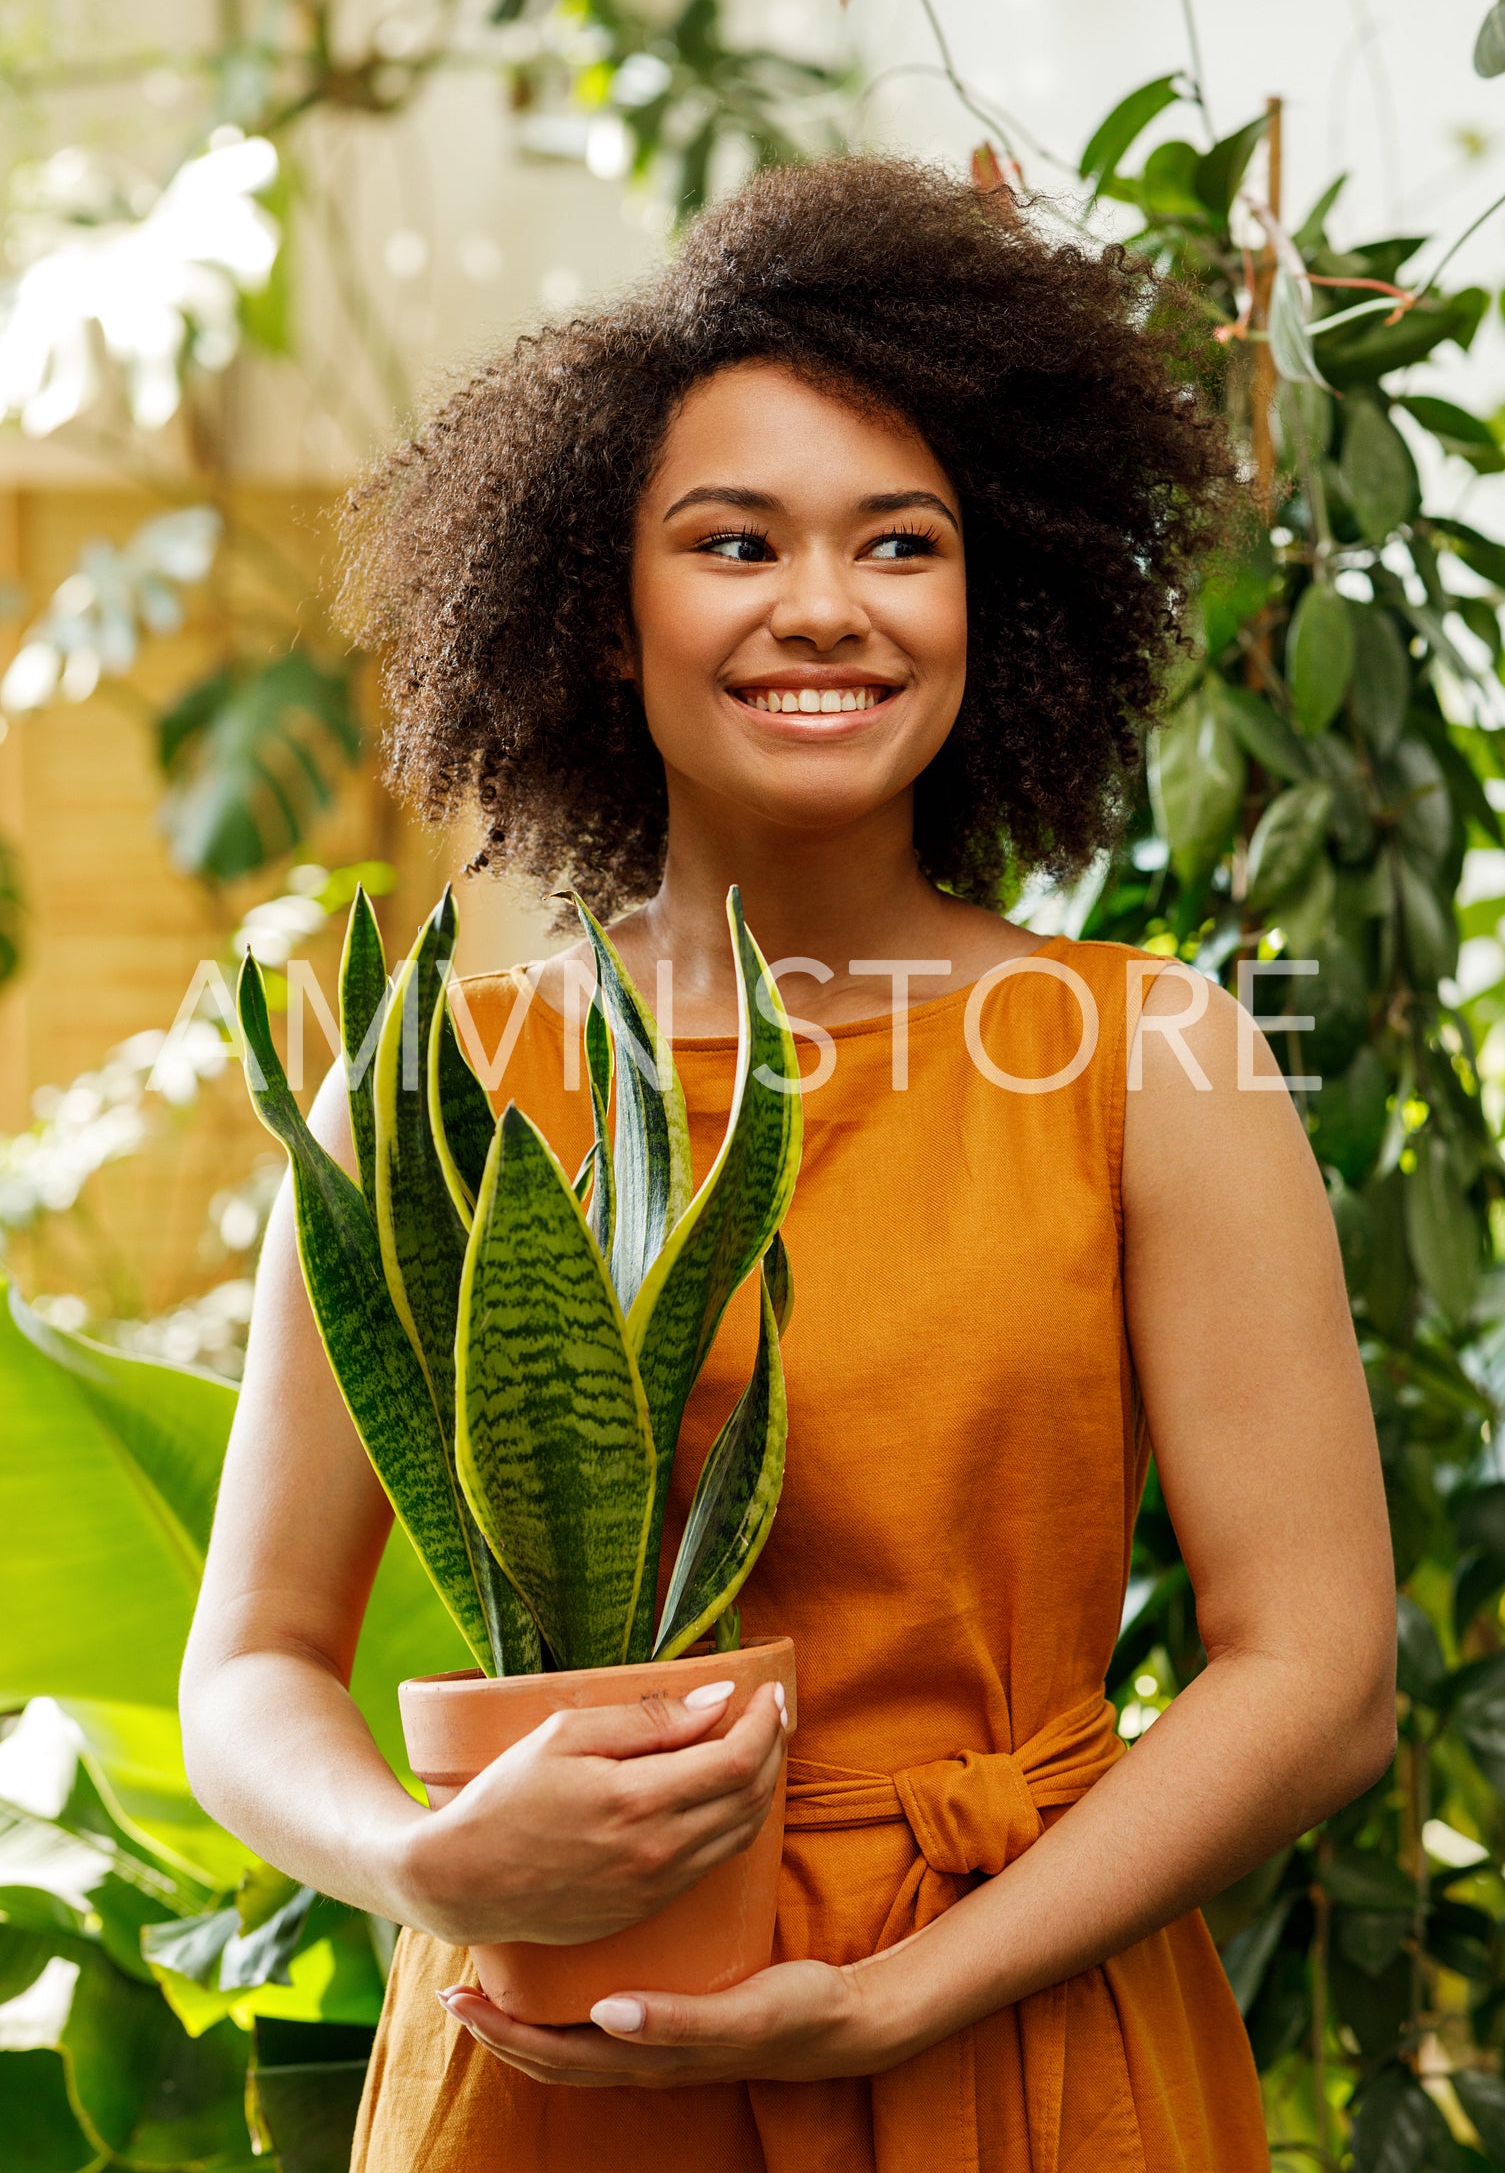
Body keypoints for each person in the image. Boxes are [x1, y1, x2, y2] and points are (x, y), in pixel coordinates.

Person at [180, 156, 1396, 2171]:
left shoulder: (1150, 1053)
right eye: (732, 542)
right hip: (559, 2055)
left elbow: (1322, 1678)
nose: (824, 606)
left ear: (989, 597)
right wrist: (439, 1857)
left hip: (1017, 2034)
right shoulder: (437, 1093)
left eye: (899, 544)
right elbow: (250, 1665)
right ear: (597, 610)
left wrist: (905, 1993)